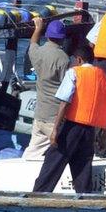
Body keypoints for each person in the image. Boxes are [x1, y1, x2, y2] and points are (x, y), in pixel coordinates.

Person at [32, 45, 106, 194]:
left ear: (79, 59)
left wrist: (55, 129)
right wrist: (104, 135)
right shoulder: (103, 77)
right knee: (82, 167)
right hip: (90, 130)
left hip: (72, 126)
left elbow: (64, 102)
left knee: (54, 160)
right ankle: (84, 199)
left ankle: (39, 194)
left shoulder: (74, 73)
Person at [23, 18, 71, 160]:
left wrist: (38, 28)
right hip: (54, 117)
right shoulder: (63, 59)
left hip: (40, 114)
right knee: (64, 151)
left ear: (48, 35)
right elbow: (67, 90)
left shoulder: (37, 52)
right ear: (62, 39)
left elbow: (33, 43)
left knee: (33, 151)